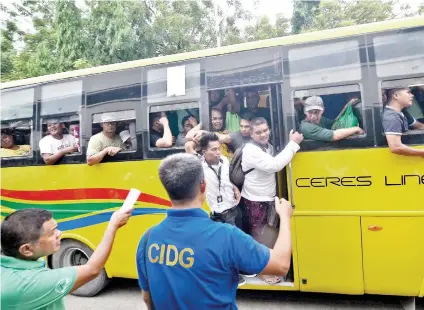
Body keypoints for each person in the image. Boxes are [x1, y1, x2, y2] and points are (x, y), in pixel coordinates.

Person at [136, 153, 294, 310]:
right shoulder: (226, 236)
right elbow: (280, 265)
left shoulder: (148, 239)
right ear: (203, 186)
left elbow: (147, 298)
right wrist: (285, 217)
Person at [1, 207, 132, 310]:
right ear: (27, 249)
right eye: (52, 233)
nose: (59, 233)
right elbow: (92, 269)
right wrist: (113, 225)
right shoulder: (28, 283)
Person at [241, 117, 303, 285]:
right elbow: (274, 165)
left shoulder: (268, 147)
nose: (263, 134)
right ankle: (263, 272)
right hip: (255, 201)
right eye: (258, 132)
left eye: (265, 130)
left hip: (266, 198)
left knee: (267, 236)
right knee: (260, 239)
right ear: (251, 134)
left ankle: (267, 267)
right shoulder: (250, 150)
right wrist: (293, 144)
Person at [299, 96, 363, 142]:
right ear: (305, 112)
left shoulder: (320, 120)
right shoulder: (306, 127)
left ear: (323, 110)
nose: (313, 116)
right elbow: (335, 136)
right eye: (310, 112)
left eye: (316, 112)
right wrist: (356, 129)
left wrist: (346, 106)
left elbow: (335, 122)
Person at [382, 87, 424, 157]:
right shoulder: (392, 117)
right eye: (408, 92)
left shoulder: (400, 113)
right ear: (396, 96)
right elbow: (395, 147)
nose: (412, 95)